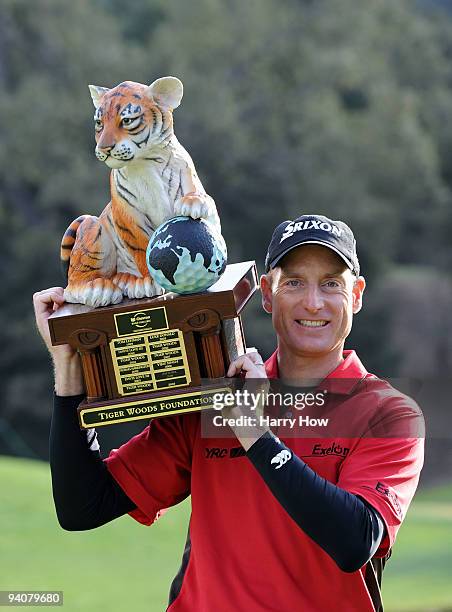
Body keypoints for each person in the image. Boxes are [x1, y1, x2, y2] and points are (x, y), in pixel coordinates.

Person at [33, 213, 424, 612]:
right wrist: (68, 373)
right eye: (294, 282)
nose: (313, 302)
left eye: (330, 284)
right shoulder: (216, 393)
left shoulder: (386, 414)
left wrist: (253, 431)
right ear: (267, 293)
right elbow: (83, 507)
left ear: (356, 294)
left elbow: (355, 540)